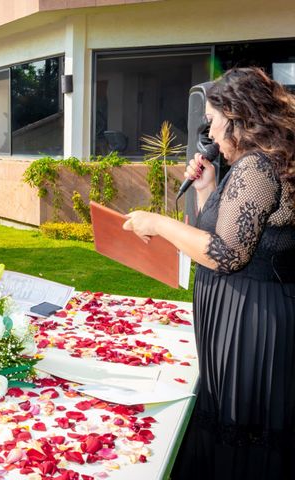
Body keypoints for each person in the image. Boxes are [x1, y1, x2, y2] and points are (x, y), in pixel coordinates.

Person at [123, 67, 295, 479]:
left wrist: (159, 223)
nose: (212, 134)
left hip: (254, 319)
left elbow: (226, 254)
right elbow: (215, 237)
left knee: (243, 429)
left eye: (215, 121)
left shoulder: (258, 167)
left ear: (237, 115)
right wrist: (206, 189)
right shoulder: (251, 166)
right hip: (237, 310)